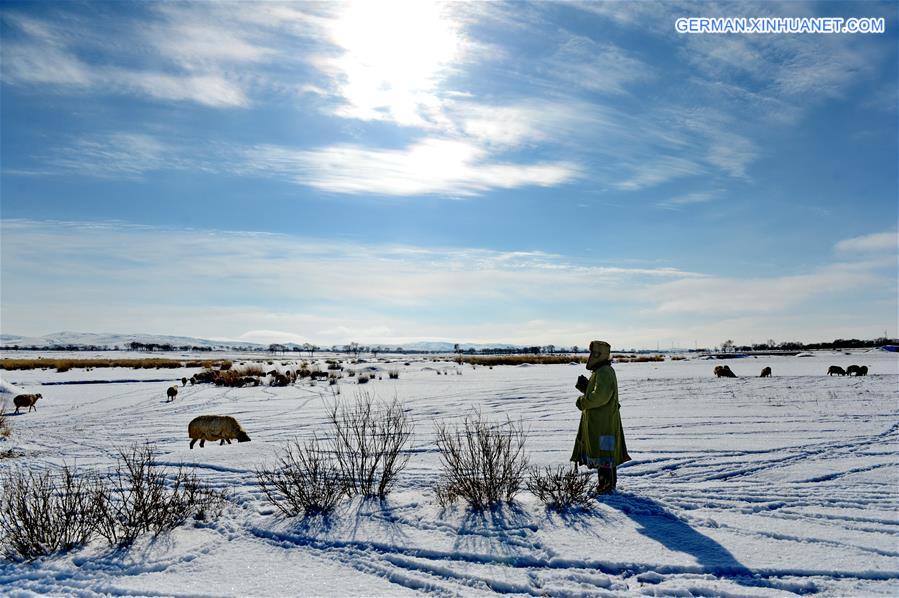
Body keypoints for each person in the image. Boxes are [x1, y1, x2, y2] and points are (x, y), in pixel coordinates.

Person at [570, 340, 631, 493]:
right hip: (603, 421)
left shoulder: (603, 371)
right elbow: (603, 394)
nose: (590, 356)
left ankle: (606, 487)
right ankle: (608, 486)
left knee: (604, 454)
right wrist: (587, 388)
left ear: (599, 354)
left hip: (603, 423)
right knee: (606, 454)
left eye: (593, 353)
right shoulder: (603, 370)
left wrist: (582, 401)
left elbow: (600, 397)